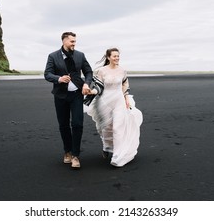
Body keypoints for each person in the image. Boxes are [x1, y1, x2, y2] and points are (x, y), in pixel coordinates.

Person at [84, 48, 142, 167]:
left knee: (117, 128)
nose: (117, 58)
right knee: (106, 128)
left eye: (118, 56)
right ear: (108, 57)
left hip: (119, 101)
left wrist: (126, 99)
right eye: (114, 56)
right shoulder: (101, 71)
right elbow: (99, 86)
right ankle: (107, 147)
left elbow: (125, 85)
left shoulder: (123, 71)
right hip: (104, 102)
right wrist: (92, 92)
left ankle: (117, 156)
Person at [44, 32, 93, 169]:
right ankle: (68, 152)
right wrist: (58, 79)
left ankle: (76, 155)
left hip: (77, 94)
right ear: (64, 41)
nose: (74, 43)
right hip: (60, 96)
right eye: (72, 41)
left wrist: (86, 84)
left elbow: (89, 72)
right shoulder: (53, 56)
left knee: (77, 124)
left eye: (75, 41)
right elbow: (47, 74)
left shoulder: (80, 55)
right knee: (63, 125)